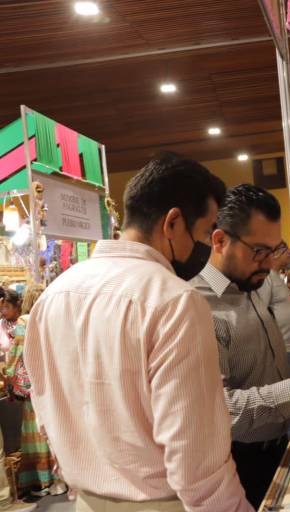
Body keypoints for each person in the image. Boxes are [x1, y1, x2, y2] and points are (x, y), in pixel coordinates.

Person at [25, 153, 252, 512]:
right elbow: (195, 456)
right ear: (173, 222)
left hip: (84, 502)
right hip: (163, 504)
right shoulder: (174, 300)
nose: (208, 247)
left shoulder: (54, 295)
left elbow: (45, 410)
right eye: (207, 232)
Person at [191, 184, 290, 506]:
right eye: (259, 251)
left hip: (282, 442)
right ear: (220, 240)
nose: (268, 263)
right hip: (237, 463)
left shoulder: (257, 283)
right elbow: (214, 410)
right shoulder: (197, 306)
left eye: (274, 249)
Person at [4, 284, 66, 501]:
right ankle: (61, 479)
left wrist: (7, 372)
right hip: (56, 383)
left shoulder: (24, 322)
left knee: (35, 433)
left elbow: (14, 355)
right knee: (56, 429)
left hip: (34, 387)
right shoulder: (55, 320)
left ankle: (43, 479)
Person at [257, 245, 290, 377]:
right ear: (275, 253)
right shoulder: (267, 278)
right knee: (289, 392)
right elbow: (263, 310)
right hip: (282, 350)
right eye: (285, 249)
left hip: (289, 348)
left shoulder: (275, 276)